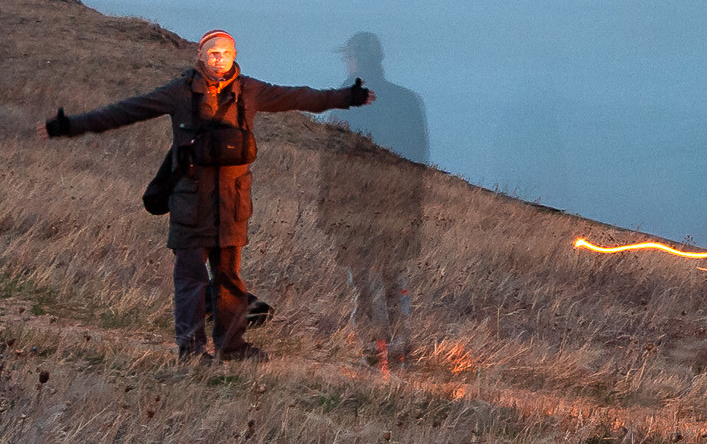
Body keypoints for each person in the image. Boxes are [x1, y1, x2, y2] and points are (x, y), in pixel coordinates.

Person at [41, 30, 371, 363]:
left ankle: (232, 347)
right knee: (191, 279)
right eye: (213, 54)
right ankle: (192, 351)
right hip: (191, 202)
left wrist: (347, 97)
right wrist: (69, 126)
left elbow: (300, 98)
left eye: (226, 53)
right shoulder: (179, 93)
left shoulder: (249, 91)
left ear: (234, 55)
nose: (220, 59)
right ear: (200, 55)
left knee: (229, 278)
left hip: (232, 204)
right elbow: (126, 111)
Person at [319, 32, 429, 369]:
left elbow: (331, 164)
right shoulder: (406, 101)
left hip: (357, 209)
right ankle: (395, 343)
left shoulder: (342, 103)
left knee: (364, 281)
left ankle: (371, 345)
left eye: (350, 57)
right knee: (392, 277)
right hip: (394, 206)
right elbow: (418, 159)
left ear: (352, 59)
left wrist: (327, 209)